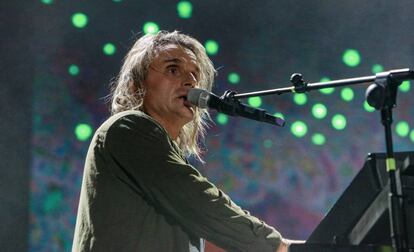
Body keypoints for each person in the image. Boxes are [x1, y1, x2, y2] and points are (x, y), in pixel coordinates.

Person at [72, 30, 297, 252]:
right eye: (173, 69)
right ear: (136, 85)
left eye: (194, 75)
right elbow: (200, 202)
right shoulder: (127, 128)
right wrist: (277, 246)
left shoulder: (164, 154)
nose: (190, 81)